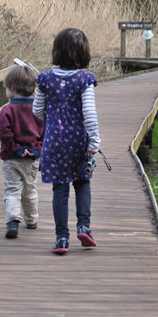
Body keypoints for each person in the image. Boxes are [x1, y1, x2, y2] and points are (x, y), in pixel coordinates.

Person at [33, 28, 100, 254]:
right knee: (82, 182)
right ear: (84, 53)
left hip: (53, 141)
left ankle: (62, 239)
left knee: (59, 190)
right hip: (78, 141)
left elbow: (37, 110)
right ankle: (84, 226)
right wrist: (95, 143)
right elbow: (90, 114)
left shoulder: (44, 79)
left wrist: (53, 117)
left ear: (57, 51)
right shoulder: (84, 79)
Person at [0, 65, 44, 239]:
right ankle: (31, 220)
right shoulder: (38, 110)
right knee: (30, 190)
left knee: (12, 190)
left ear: (13, 88)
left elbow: (3, 132)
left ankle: (13, 220)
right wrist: (35, 150)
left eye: (7, 88)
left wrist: (16, 149)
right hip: (31, 159)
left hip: (12, 159)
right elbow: (43, 133)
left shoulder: (7, 110)